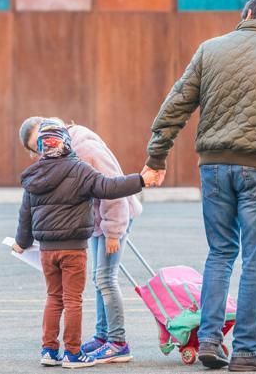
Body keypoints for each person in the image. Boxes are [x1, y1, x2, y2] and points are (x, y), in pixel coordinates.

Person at [141, 0, 256, 371]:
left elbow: (174, 106)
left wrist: (156, 158)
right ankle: (245, 350)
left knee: (220, 253)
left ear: (247, 15)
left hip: (214, 166)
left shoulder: (210, 50)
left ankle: (208, 339)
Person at [13, 119, 153, 369]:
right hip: (77, 241)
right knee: (78, 295)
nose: (41, 152)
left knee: (83, 287)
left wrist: (113, 231)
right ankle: (79, 350)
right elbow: (108, 187)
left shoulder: (70, 157)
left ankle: (104, 343)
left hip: (105, 223)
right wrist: (141, 180)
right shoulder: (75, 167)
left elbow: (112, 189)